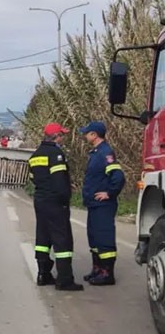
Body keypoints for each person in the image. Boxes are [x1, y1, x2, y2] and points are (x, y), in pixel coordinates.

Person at [28, 122, 83, 291]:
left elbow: (33, 178)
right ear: (56, 137)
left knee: (43, 238)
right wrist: (65, 198)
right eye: (62, 135)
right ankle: (64, 280)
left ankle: (43, 274)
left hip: (40, 200)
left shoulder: (35, 155)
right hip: (55, 202)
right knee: (62, 240)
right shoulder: (56, 154)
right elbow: (59, 181)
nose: (63, 138)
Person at [80, 121, 125, 286]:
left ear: (94, 134)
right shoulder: (95, 152)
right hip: (93, 204)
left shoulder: (105, 152)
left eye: (87, 133)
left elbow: (118, 176)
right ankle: (97, 269)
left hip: (103, 205)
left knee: (104, 237)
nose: (85, 136)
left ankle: (107, 273)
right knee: (94, 238)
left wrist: (109, 193)